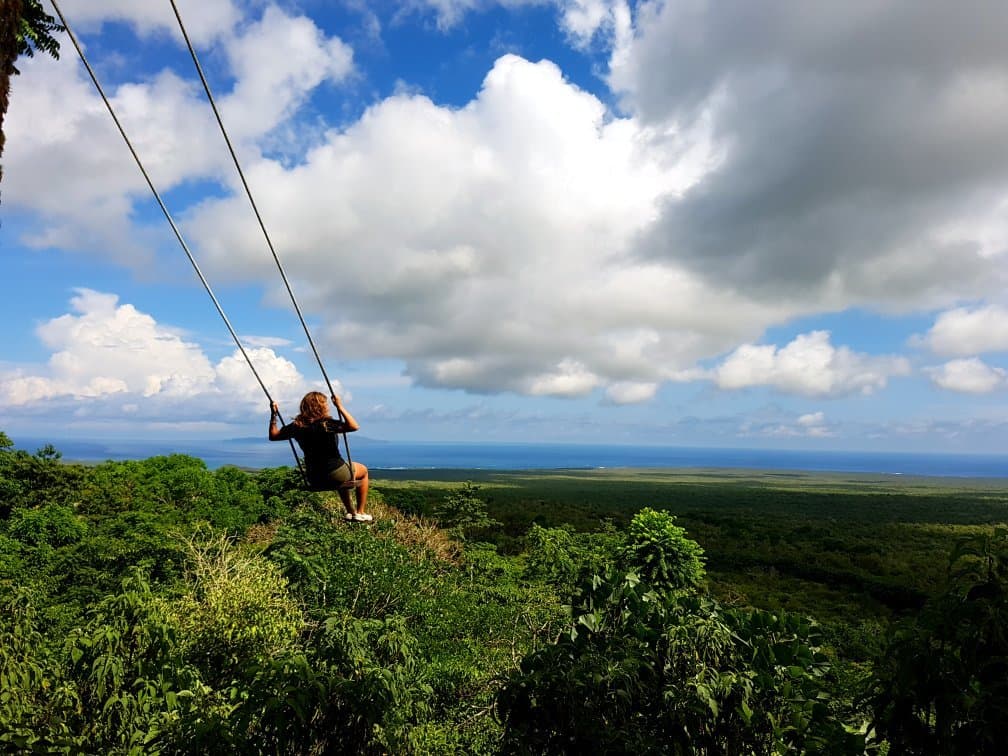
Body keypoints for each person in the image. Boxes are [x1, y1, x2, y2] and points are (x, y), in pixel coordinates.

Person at [269, 391, 371, 522]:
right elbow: (354, 426)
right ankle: (360, 512)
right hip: (335, 473)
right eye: (325, 403)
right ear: (320, 406)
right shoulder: (326, 424)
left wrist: (274, 415)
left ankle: (350, 512)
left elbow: (273, 436)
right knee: (363, 471)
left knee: (343, 475)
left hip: (314, 477)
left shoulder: (297, 426)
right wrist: (340, 406)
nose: (327, 406)